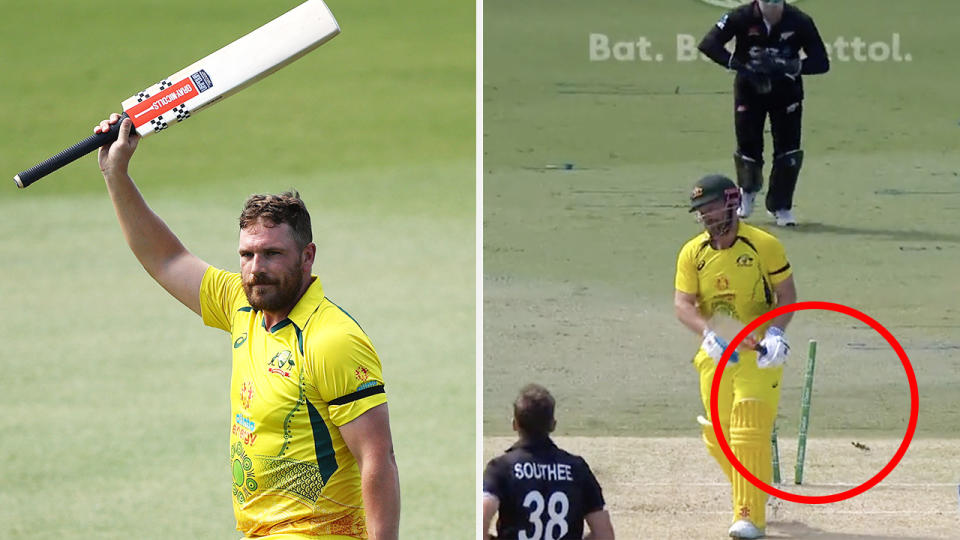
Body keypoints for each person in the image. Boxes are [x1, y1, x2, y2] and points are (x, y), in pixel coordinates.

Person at [94, 113, 400, 540]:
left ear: (307, 256)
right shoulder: (242, 304)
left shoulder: (331, 339)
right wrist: (116, 174)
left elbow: (377, 458)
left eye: (272, 254)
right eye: (247, 254)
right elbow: (166, 259)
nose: (256, 269)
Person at [674, 174, 797, 539]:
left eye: (711, 207)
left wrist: (776, 333)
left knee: (748, 429)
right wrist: (707, 333)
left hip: (759, 352)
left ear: (731, 202)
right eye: (701, 211)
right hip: (718, 353)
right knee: (717, 436)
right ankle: (755, 492)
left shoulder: (764, 245)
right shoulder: (692, 252)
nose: (707, 216)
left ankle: (748, 516)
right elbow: (682, 304)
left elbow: (787, 295)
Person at [698, 0, 829, 226]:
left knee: (788, 151)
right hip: (749, 90)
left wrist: (788, 66)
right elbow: (709, 44)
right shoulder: (740, 16)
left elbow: (821, 62)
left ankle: (781, 207)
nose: (772, 5)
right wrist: (742, 66)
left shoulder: (800, 21)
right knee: (748, 145)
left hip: (787, 93)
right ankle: (746, 195)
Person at [482, 384, 615, 540]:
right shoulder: (577, 468)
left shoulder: (501, 468)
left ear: (515, 424)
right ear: (553, 425)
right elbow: (604, 535)